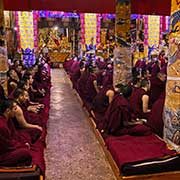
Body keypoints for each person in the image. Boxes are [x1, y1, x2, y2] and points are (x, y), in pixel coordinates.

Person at [0, 99, 32, 167]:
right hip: (2, 154)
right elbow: (7, 146)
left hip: (9, 144)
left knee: (26, 136)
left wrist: (21, 142)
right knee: (25, 153)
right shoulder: (2, 126)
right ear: (8, 111)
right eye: (15, 109)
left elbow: (13, 134)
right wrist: (22, 145)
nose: (16, 111)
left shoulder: (8, 119)